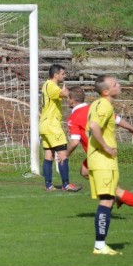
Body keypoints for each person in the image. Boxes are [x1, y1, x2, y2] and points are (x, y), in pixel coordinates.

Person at [66, 86, 133, 220]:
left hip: (100, 155)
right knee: (84, 171)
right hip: (98, 154)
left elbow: (75, 141)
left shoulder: (74, 117)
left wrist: (65, 154)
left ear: (71, 100)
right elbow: (117, 119)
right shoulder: (94, 107)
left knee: (114, 190)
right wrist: (132, 128)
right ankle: (116, 195)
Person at [87, 75, 133, 255]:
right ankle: (100, 245)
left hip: (100, 160)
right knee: (106, 201)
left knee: (109, 199)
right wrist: (106, 146)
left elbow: (115, 119)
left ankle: (100, 244)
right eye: (116, 84)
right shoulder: (104, 105)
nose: (119, 85)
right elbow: (94, 126)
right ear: (106, 91)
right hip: (103, 160)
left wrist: (132, 129)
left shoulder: (99, 104)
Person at [39, 64, 80, 192]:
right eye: (63, 74)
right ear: (56, 75)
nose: (64, 76)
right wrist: (66, 92)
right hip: (52, 126)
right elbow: (62, 94)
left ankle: (48, 185)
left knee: (48, 156)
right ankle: (66, 184)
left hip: (45, 125)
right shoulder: (51, 86)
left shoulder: (46, 85)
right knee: (63, 154)